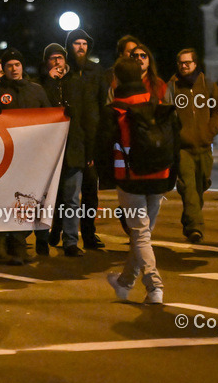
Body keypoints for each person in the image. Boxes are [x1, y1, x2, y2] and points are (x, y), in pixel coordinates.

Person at [99, 58, 179, 305]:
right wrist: (171, 177)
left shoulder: (115, 109)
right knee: (142, 235)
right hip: (159, 177)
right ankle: (124, 283)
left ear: (117, 80)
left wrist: (105, 179)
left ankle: (155, 286)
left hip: (130, 179)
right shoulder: (157, 104)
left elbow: (102, 147)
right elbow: (175, 141)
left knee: (140, 234)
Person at [0, 48, 51, 264]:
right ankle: (9, 246)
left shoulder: (36, 91)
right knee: (7, 199)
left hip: (32, 157)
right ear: (3, 69)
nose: (13, 69)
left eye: (17, 65)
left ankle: (18, 243)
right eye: (9, 66)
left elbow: (49, 119)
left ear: (22, 67)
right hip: (7, 155)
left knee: (28, 200)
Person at [40, 44, 97, 256]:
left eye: (60, 58)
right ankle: (45, 237)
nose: (57, 62)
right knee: (47, 198)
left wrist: (89, 150)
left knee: (72, 197)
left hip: (74, 148)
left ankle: (70, 241)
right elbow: (41, 109)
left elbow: (88, 117)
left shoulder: (78, 84)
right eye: (52, 59)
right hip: (49, 152)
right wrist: (50, 82)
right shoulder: (42, 85)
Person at [166, 49, 218, 244]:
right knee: (188, 186)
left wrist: (210, 131)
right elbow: (166, 116)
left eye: (188, 62)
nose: (184, 66)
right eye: (181, 63)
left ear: (195, 63)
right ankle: (195, 228)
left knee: (200, 186)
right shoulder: (172, 87)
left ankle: (189, 218)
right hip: (183, 149)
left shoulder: (208, 85)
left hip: (205, 146)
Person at [66, 28, 107, 250]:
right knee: (70, 194)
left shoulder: (96, 71)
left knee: (91, 192)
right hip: (71, 141)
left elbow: (103, 104)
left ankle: (89, 234)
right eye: (76, 44)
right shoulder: (65, 71)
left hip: (91, 140)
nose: (81, 48)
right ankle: (65, 235)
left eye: (84, 44)